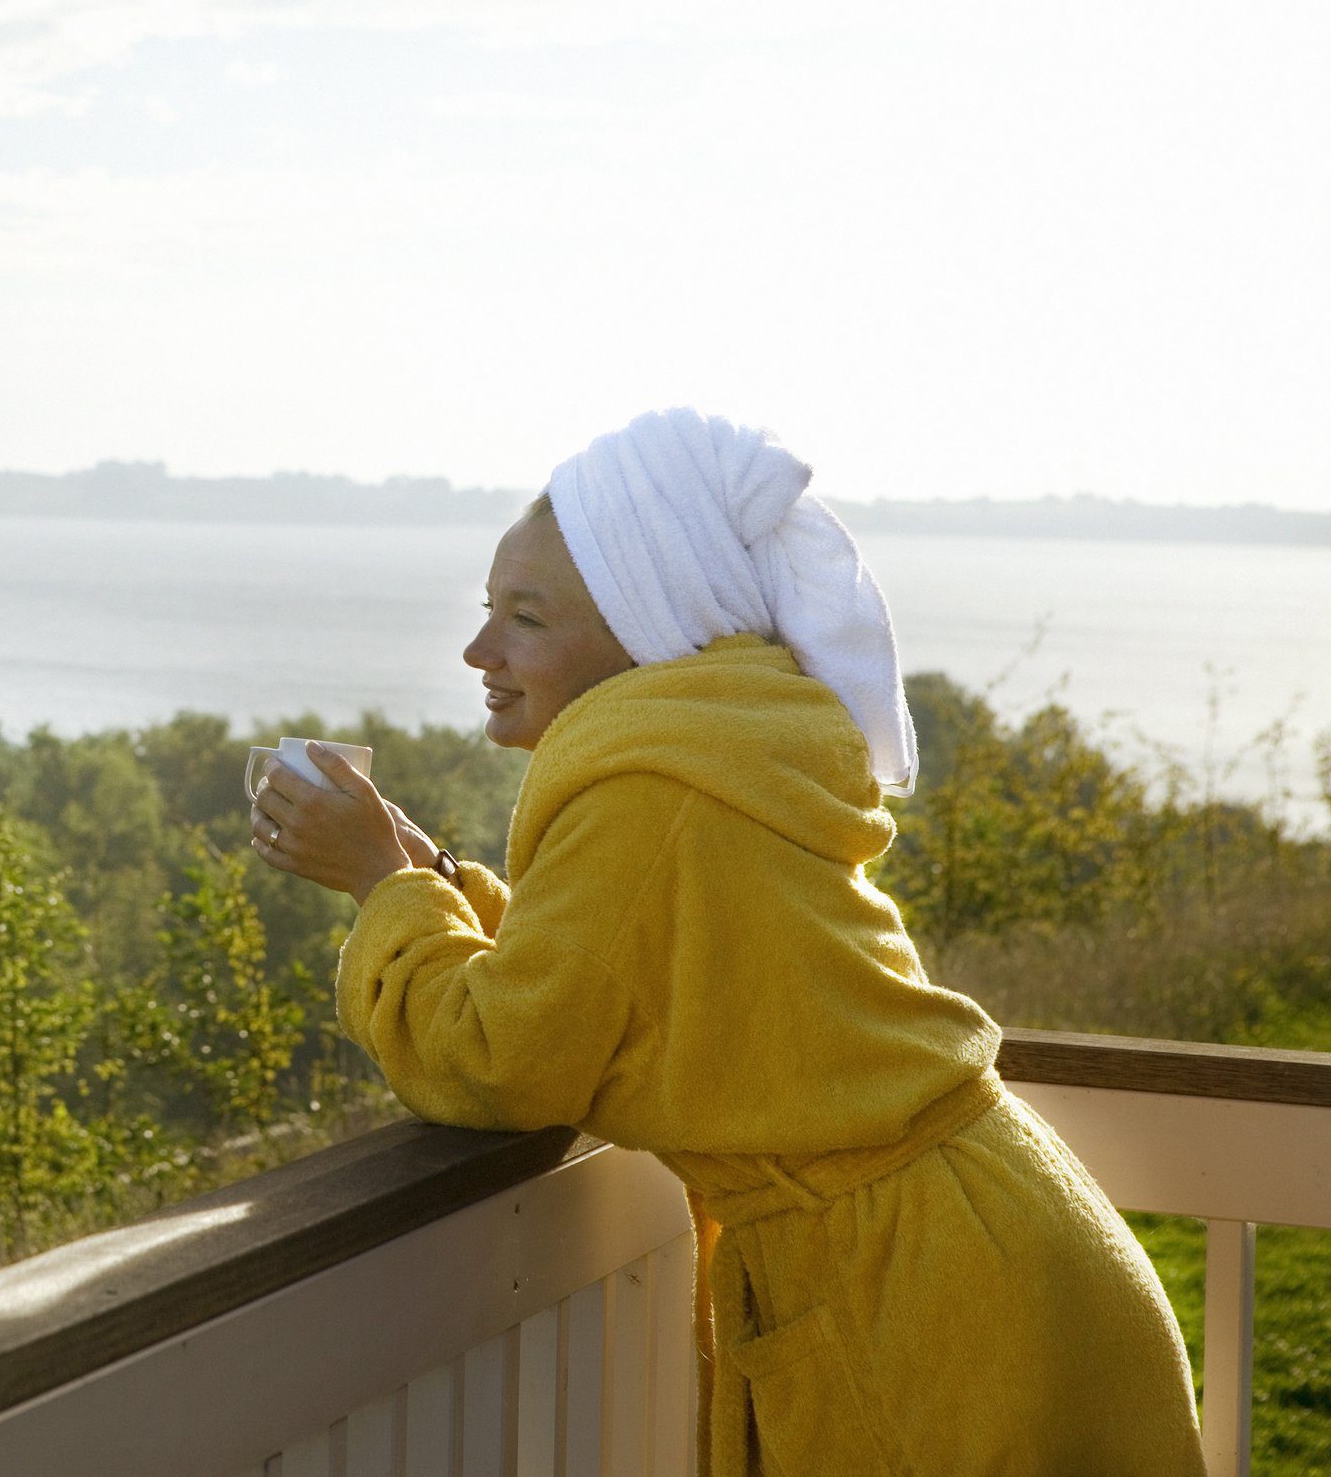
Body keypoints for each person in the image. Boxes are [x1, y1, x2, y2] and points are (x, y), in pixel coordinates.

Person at [248, 408, 1203, 1477]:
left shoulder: (649, 791)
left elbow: (500, 1058)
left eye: (525, 616)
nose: (479, 649)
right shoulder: (705, 767)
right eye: (486, 611)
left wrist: (380, 885)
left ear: (649, 626)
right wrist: (434, 884)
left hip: (917, 1293)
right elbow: (622, 974)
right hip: (992, 1236)